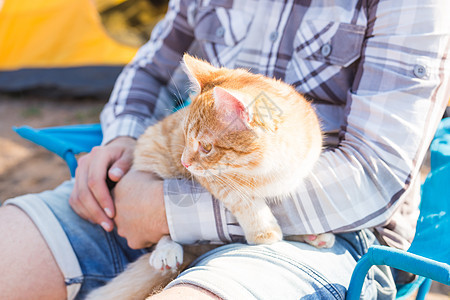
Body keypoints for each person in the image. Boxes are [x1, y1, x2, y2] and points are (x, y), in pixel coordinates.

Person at [1, 0, 449, 299]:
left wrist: (165, 210)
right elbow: (152, 70)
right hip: (163, 180)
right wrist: (122, 140)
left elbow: (374, 177)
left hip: (329, 230)